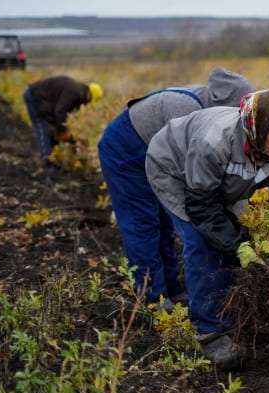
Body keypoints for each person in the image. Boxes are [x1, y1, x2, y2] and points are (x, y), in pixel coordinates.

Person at [146, 89, 269, 368]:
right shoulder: (215, 142)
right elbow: (203, 207)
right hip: (176, 170)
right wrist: (237, 244)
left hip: (223, 178)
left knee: (228, 240)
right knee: (203, 242)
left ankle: (230, 310)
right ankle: (210, 332)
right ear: (258, 126)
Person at [97, 68, 254, 309]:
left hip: (159, 153)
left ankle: (172, 288)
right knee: (143, 223)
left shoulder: (211, 110)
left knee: (165, 223)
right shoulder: (187, 109)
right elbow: (192, 174)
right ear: (223, 103)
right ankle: (152, 299)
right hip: (126, 149)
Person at [23, 75, 103, 164]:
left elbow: (65, 115)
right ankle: (46, 159)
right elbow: (60, 111)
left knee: (54, 129)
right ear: (89, 95)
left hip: (45, 102)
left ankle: (53, 157)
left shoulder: (78, 94)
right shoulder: (75, 93)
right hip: (33, 96)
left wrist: (64, 130)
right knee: (43, 126)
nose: (88, 104)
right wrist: (63, 131)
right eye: (91, 100)